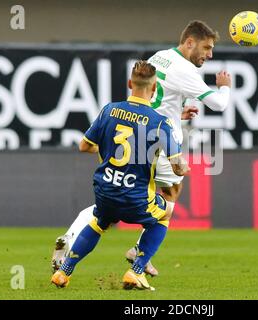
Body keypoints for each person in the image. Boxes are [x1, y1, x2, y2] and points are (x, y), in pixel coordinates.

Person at [51, 20, 231, 276]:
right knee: (170, 197)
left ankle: (69, 238)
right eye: (207, 47)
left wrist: (176, 113)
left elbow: (152, 99)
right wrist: (224, 86)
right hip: (160, 144)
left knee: (108, 207)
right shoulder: (186, 71)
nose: (210, 54)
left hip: (137, 137)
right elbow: (219, 105)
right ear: (190, 42)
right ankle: (140, 253)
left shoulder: (161, 57)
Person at [51, 61, 189, 290]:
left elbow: (84, 146)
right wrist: (183, 168)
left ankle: (64, 272)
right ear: (154, 88)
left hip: (106, 191)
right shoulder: (160, 123)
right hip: (136, 197)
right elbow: (177, 168)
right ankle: (136, 271)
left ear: (129, 83)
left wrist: (107, 150)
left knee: (99, 222)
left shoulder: (109, 110)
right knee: (164, 215)